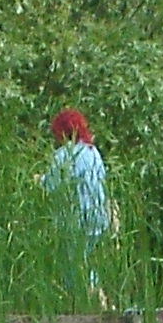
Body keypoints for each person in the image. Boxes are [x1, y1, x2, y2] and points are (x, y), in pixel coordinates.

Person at [44, 108, 113, 302]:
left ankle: (96, 307)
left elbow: (50, 186)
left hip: (75, 222)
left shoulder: (63, 155)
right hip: (98, 220)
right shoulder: (93, 152)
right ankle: (100, 304)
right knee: (88, 266)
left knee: (75, 270)